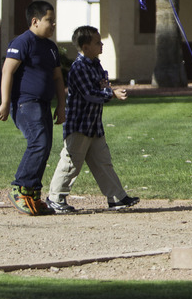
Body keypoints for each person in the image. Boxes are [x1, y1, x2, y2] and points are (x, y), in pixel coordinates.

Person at [47, 25, 140, 212]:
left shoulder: (95, 64)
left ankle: (117, 198)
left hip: (94, 125)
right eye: (97, 42)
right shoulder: (79, 67)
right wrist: (112, 93)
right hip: (80, 126)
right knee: (70, 163)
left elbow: (102, 86)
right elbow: (90, 93)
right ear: (85, 47)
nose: (101, 45)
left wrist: (107, 89)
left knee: (103, 163)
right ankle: (55, 198)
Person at [0, 0, 67, 215]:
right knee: (39, 142)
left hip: (44, 104)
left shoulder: (50, 47)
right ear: (35, 21)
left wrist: (61, 106)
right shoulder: (22, 42)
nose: (53, 24)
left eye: (54, 20)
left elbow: (57, 77)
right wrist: (5, 102)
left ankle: (33, 195)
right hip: (25, 103)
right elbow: (7, 71)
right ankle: (20, 189)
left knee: (45, 146)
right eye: (49, 20)